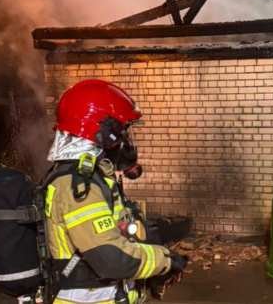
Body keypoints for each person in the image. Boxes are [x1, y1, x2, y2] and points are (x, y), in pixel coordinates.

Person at [45, 79, 187, 304]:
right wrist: (166, 261)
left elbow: (119, 235)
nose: (125, 141)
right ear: (103, 132)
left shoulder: (92, 179)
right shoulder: (78, 186)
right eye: (122, 132)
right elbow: (113, 259)